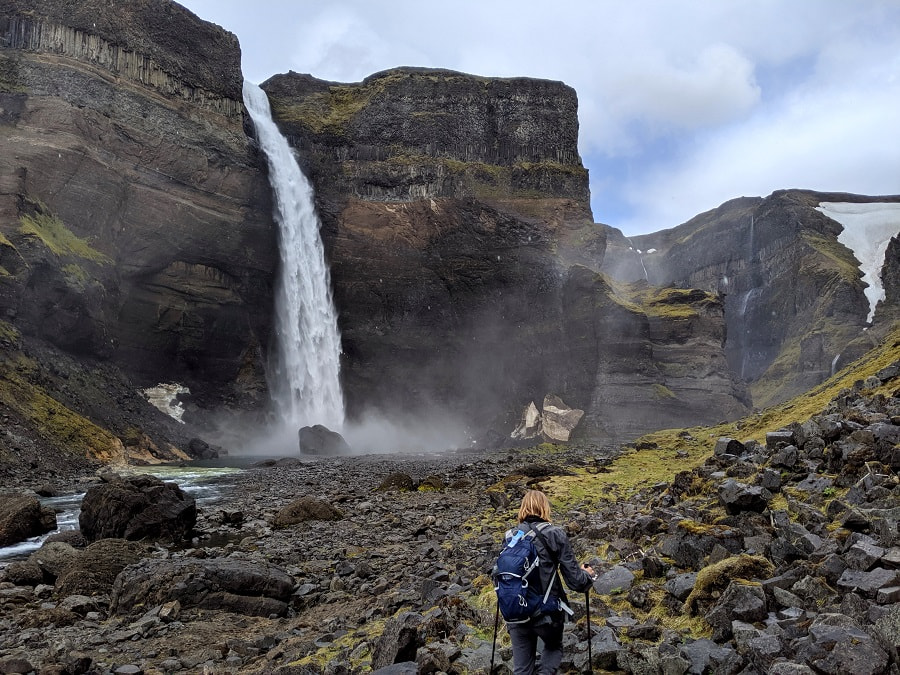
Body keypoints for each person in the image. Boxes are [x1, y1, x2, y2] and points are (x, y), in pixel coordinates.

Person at [506, 489, 597, 675]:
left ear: (523, 508)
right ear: (545, 508)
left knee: (522, 669)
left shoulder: (510, 537)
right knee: (554, 647)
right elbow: (576, 582)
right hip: (545, 612)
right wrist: (587, 575)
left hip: (515, 611)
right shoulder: (555, 534)